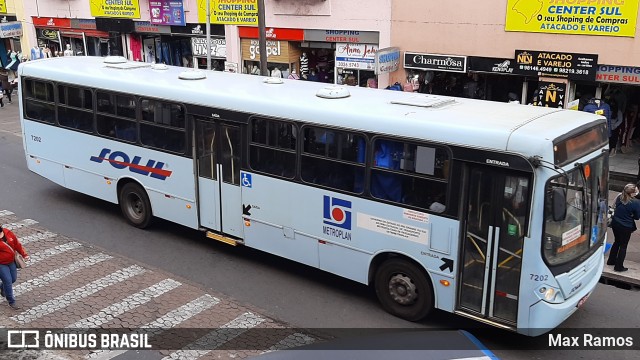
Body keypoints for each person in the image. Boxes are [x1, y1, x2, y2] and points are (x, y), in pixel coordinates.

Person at [607, 183, 640, 272]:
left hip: (615, 223)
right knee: (623, 246)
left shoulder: (619, 197)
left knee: (616, 241)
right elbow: (637, 217)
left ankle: (611, 260)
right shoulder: (636, 202)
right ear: (632, 193)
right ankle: (618, 266)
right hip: (626, 226)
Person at [0, 224, 30, 309]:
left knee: (13, 279)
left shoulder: (8, 233)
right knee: (8, 281)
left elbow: (17, 244)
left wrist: (24, 254)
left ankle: (2, 287)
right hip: (1, 264)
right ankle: (11, 301)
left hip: (11, 261)